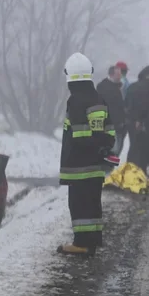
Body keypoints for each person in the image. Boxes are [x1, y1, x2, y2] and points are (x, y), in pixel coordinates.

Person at [58, 52, 118, 256]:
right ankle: (93, 241)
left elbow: (80, 136)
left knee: (78, 205)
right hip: (95, 166)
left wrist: (90, 145)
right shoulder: (98, 98)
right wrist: (102, 147)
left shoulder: (75, 101)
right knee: (93, 203)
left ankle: (81, 244)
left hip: (78, 167)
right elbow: (110, 133)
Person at [125, 65, 149, 184]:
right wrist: (141, 121)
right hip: (148, 124)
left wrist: (132, 120)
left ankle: (132, 175)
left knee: (134, 148)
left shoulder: (132, 87)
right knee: (148, 151)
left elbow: (126, 105)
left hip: (132, 123)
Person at [97, 65, 127, 157]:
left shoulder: (119, 87)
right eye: (118, 74)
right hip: (109, 124)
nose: (120, 76)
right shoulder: (104, 87)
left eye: (120, 74)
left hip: (118, 125)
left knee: (116, 150)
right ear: (112, 74)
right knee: (112, 150)